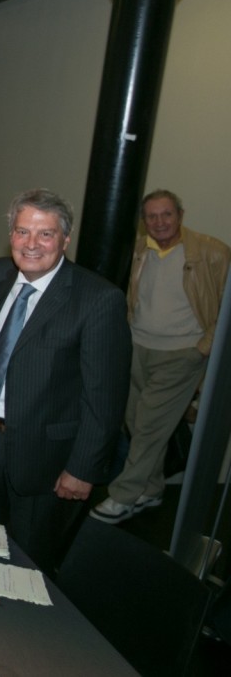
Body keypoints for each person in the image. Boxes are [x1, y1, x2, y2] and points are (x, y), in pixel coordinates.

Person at [0, 189, 131, 573]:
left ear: (65, 239)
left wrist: (83, 469)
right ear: (11, 235)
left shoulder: (97, 300)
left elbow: (104, 399)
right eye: (23, 232)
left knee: (29, 565)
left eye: (45, 234)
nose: (31, 244)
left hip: (47, 459)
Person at [92, 190, 231, 524]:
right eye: (152, 216)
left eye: (166, 214)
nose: (159, 222)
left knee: (150, 427)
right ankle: (152, 489)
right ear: (144, 221)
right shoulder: (140, 250)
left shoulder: (211, 251)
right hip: (138, 349)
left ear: (180, 215)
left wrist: (204, 346)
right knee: (136, 422)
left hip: (181, 355)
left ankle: (123, 495)